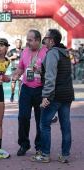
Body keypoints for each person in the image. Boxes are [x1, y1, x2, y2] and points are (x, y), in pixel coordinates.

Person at [30, 29, 74, 163]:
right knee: (65, 126)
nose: (44, 41)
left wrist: (46, 96)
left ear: (51, 41)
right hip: (67, 94)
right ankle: (65, 155)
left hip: (54, 95)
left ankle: (45, 154)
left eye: (45, 38)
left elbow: (51, 77)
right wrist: (41, 70)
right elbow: (61, 72)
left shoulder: (52, 53)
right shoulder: (65, 53)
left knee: (44, 124)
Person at [9, 30, 47, 156]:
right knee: (23, 117)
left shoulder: (47, 51)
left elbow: (51, 72)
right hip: (25, 88)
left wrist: (41, 70)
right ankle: (24, 144)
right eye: (27, 40)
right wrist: (14, 75)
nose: (27, 42)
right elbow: (21, 68)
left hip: (40, 90)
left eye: (30, 40)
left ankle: (39, 146)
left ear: (38, 40)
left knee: (40, 119)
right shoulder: (25, 51)